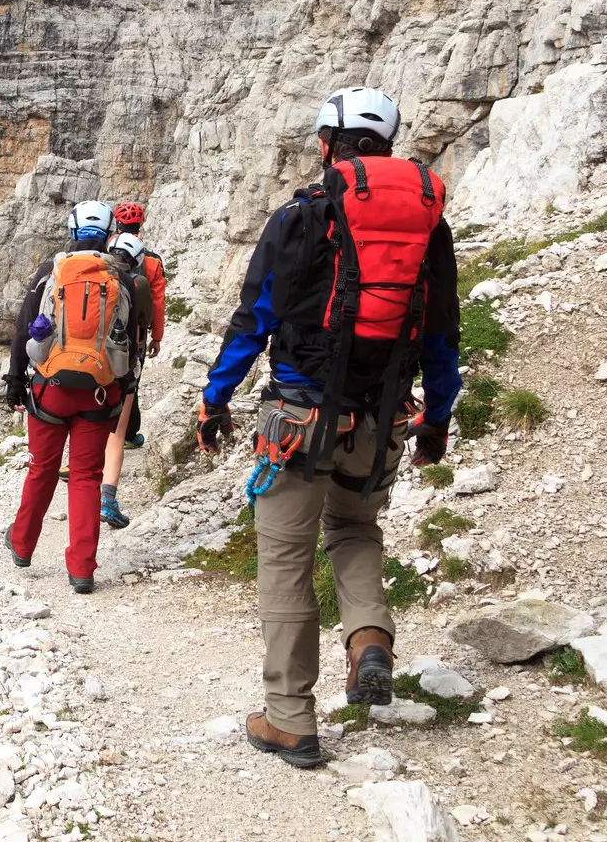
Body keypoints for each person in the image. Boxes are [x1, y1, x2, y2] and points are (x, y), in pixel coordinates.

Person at [197, 87, 462, 770]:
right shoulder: (426, 226)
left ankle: (289, 718)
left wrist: (214, 400)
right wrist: (434, 417)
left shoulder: (299, 216)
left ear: (325, 145)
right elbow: (441, 336)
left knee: (286, 556)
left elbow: (252, 319)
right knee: (354, 529)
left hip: (297, 417)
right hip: (382, 417)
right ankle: (369, 641)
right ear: (388, 148)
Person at [3, 203, 149, 594]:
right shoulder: (127, 282)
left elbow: (23, 332)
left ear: (72, 230)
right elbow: (132, 344)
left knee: (41, 469)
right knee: (86, 477)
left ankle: (21, 545)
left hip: (51, 392)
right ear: (109, 233)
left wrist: (16, 382)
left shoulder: (50, 274)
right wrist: (123, 392)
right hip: (99, 395)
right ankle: (82, 569)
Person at [99, 202, 166, 530]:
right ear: (142, 224)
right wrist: (157, 336)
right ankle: (108, 493)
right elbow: (156, 301)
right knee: (127, 395)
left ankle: (83, 457)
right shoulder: (150, 261)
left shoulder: (103, 253)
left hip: (97, 346)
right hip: (132, 346)